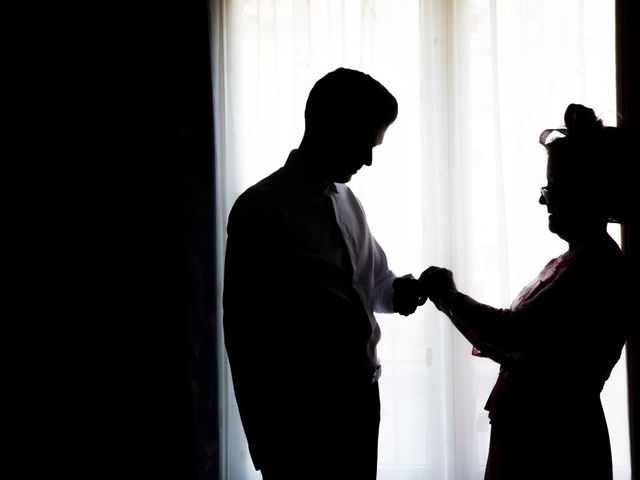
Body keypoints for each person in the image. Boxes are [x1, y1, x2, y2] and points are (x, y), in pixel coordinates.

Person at [223, 67, 426, 480]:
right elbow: (243, 334)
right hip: (299, 424)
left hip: (363, 404)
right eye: (363, 144)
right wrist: (264, 443)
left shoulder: (349, 201)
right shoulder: (260, 209)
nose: (368, 160)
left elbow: (372, 285)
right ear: (330, 127)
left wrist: (400, 291)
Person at [419, 103, 636, 480]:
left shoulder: (592, 268)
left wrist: (448, 296)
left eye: (555, 190)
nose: (543, 200)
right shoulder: (574, 261)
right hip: (538, 432)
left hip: (552, 442)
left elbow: (512, 334)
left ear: (591, 193)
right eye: (546, 189)